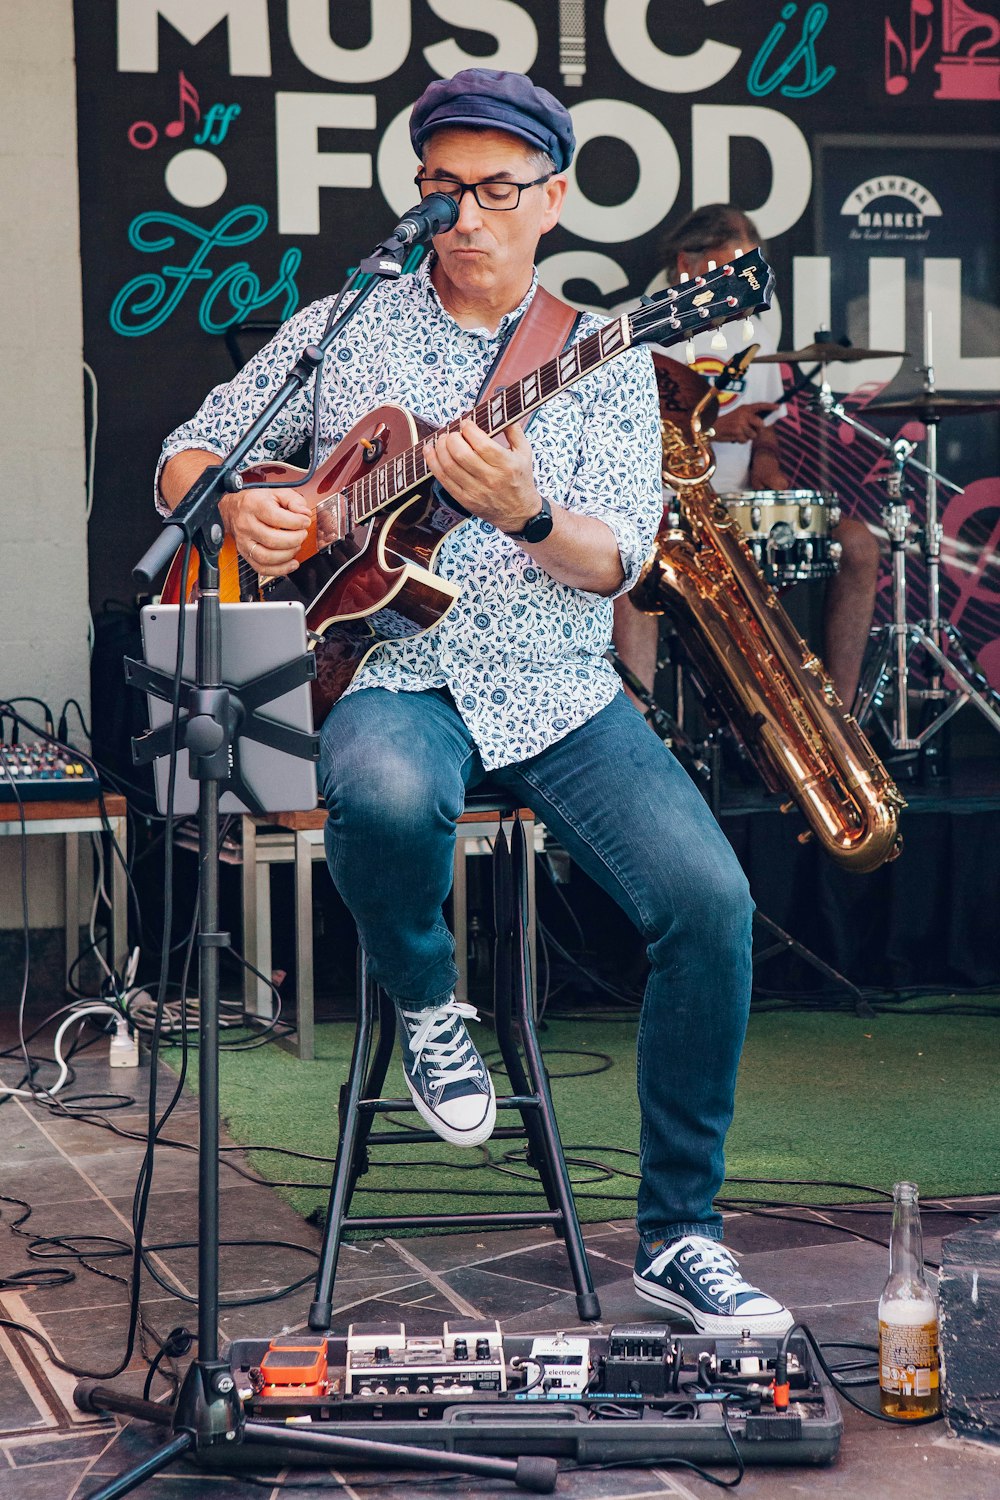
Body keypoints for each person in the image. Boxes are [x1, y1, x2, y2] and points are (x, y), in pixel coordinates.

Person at [156, 72, 792, 1335]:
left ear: (552, 199)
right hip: (389, 667)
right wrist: (235, 506)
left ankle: (679, 1235)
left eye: (497, 190)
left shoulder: (606, 356)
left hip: (556, 685)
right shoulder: (351, 324)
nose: (466, 215)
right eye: (443, 188)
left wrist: (527, 512)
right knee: (382, 790)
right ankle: (428, 997)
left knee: (711, 905)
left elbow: (622, 562)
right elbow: (193, 444)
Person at [613, 203, 881, 710]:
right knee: (631, 563)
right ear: (686, 264)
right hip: (660, 515)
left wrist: (766, 461)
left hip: (738, 514)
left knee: (859, 546)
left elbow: (765, 431)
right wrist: (713, 428)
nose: (742, 283)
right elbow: (613, 436)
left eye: (749, 269)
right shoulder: (629, 328)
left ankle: (841, 719)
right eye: (730, 269)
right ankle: (639, 728)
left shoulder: (751, 330)